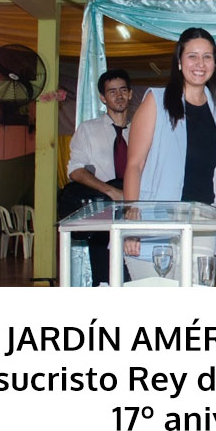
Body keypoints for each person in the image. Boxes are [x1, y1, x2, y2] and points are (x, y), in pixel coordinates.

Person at [122, 28, 216, 282]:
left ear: (215, 64)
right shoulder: (156, 101)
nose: (200, 64)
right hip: (154, 220)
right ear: (179, 62)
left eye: (207, 57)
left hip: (203, 221)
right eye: (192, 56)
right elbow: (134, 165)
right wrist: (132, 221)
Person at [62, 68, 132, 285]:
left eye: (123, 90)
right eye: (112, 91)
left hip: (136, 212)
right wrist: (110, 191)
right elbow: (75, 170)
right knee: (104, 279)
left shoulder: (141, 130)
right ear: (103, 98)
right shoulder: (88, 130)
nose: (118, 96)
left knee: (136, 278)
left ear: (130, 93)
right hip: (103, 212)